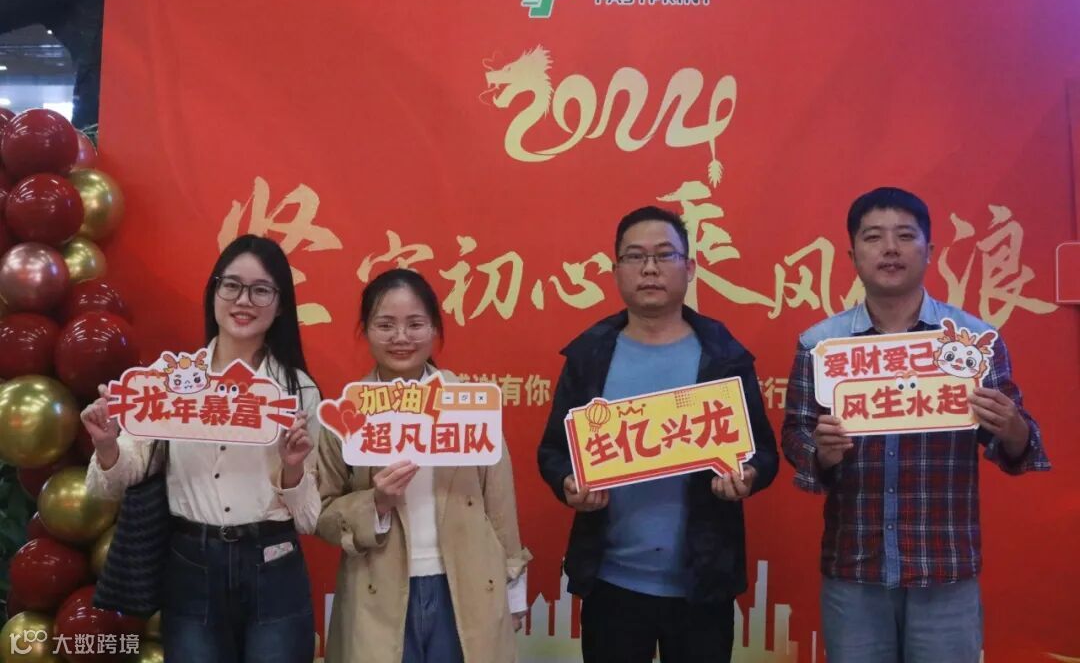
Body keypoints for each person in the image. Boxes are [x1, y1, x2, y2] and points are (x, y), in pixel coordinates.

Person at [781, 187, 1051, 663]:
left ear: (930, 250)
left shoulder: (973, 343)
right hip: (855, 568)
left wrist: (1011, 427)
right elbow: (795, 435)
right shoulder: (821, 346)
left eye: (905, 236)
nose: (890, 248)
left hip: (944, 569)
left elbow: (1019, 447)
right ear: (853, 255)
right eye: (874, 237)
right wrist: (819, 454)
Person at [537, 205, 779, 663]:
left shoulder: (723, 357)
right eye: (635, 256)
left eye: (665, 255)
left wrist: (747, 476)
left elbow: (763, 452)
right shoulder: (590, 355)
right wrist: (568, 482)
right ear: (616, 271)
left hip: (702, 583)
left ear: (690, 268)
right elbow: (553, 450)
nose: (649, 268)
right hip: (611, 581)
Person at [82, 234, 321, 663]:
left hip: (273, 564)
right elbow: (110, 484)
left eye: (260, 290)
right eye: (231, 285)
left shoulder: (297, 391)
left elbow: (307, 518)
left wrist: (292, 470)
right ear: (213, 293)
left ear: (281, 305)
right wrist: (106, 445)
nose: (243, 300)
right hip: (191, 565)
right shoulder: (169, 380)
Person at [316, 268, 531, 663]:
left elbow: (500, 504)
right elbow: (323, 512)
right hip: (378, 593)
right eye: (385, 325)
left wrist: (514, 593)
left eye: (415, 324)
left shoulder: (468, 405)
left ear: (434, 329)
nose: (401, 337)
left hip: (465, 586)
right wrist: (375, 504)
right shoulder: (349, 413)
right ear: (366, 330)